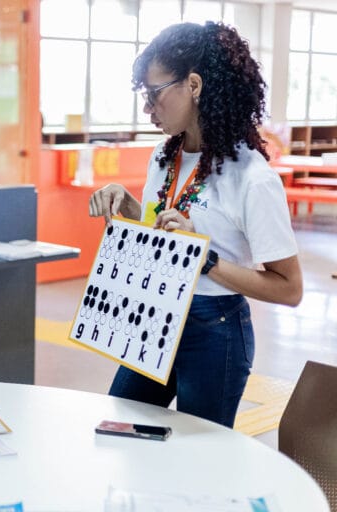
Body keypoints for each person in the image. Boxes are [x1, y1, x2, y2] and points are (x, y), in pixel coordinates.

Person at [89, 21, 303, 428]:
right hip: (156, 313)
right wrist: (130, 207)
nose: (148, 108)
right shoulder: (163, 156)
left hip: (215, 330)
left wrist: (204, 259)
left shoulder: (251, 178)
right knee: (118, 428)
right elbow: (165, 225)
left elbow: (290, 289)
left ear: (194, 85)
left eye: (154, 94)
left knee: (203, 459)